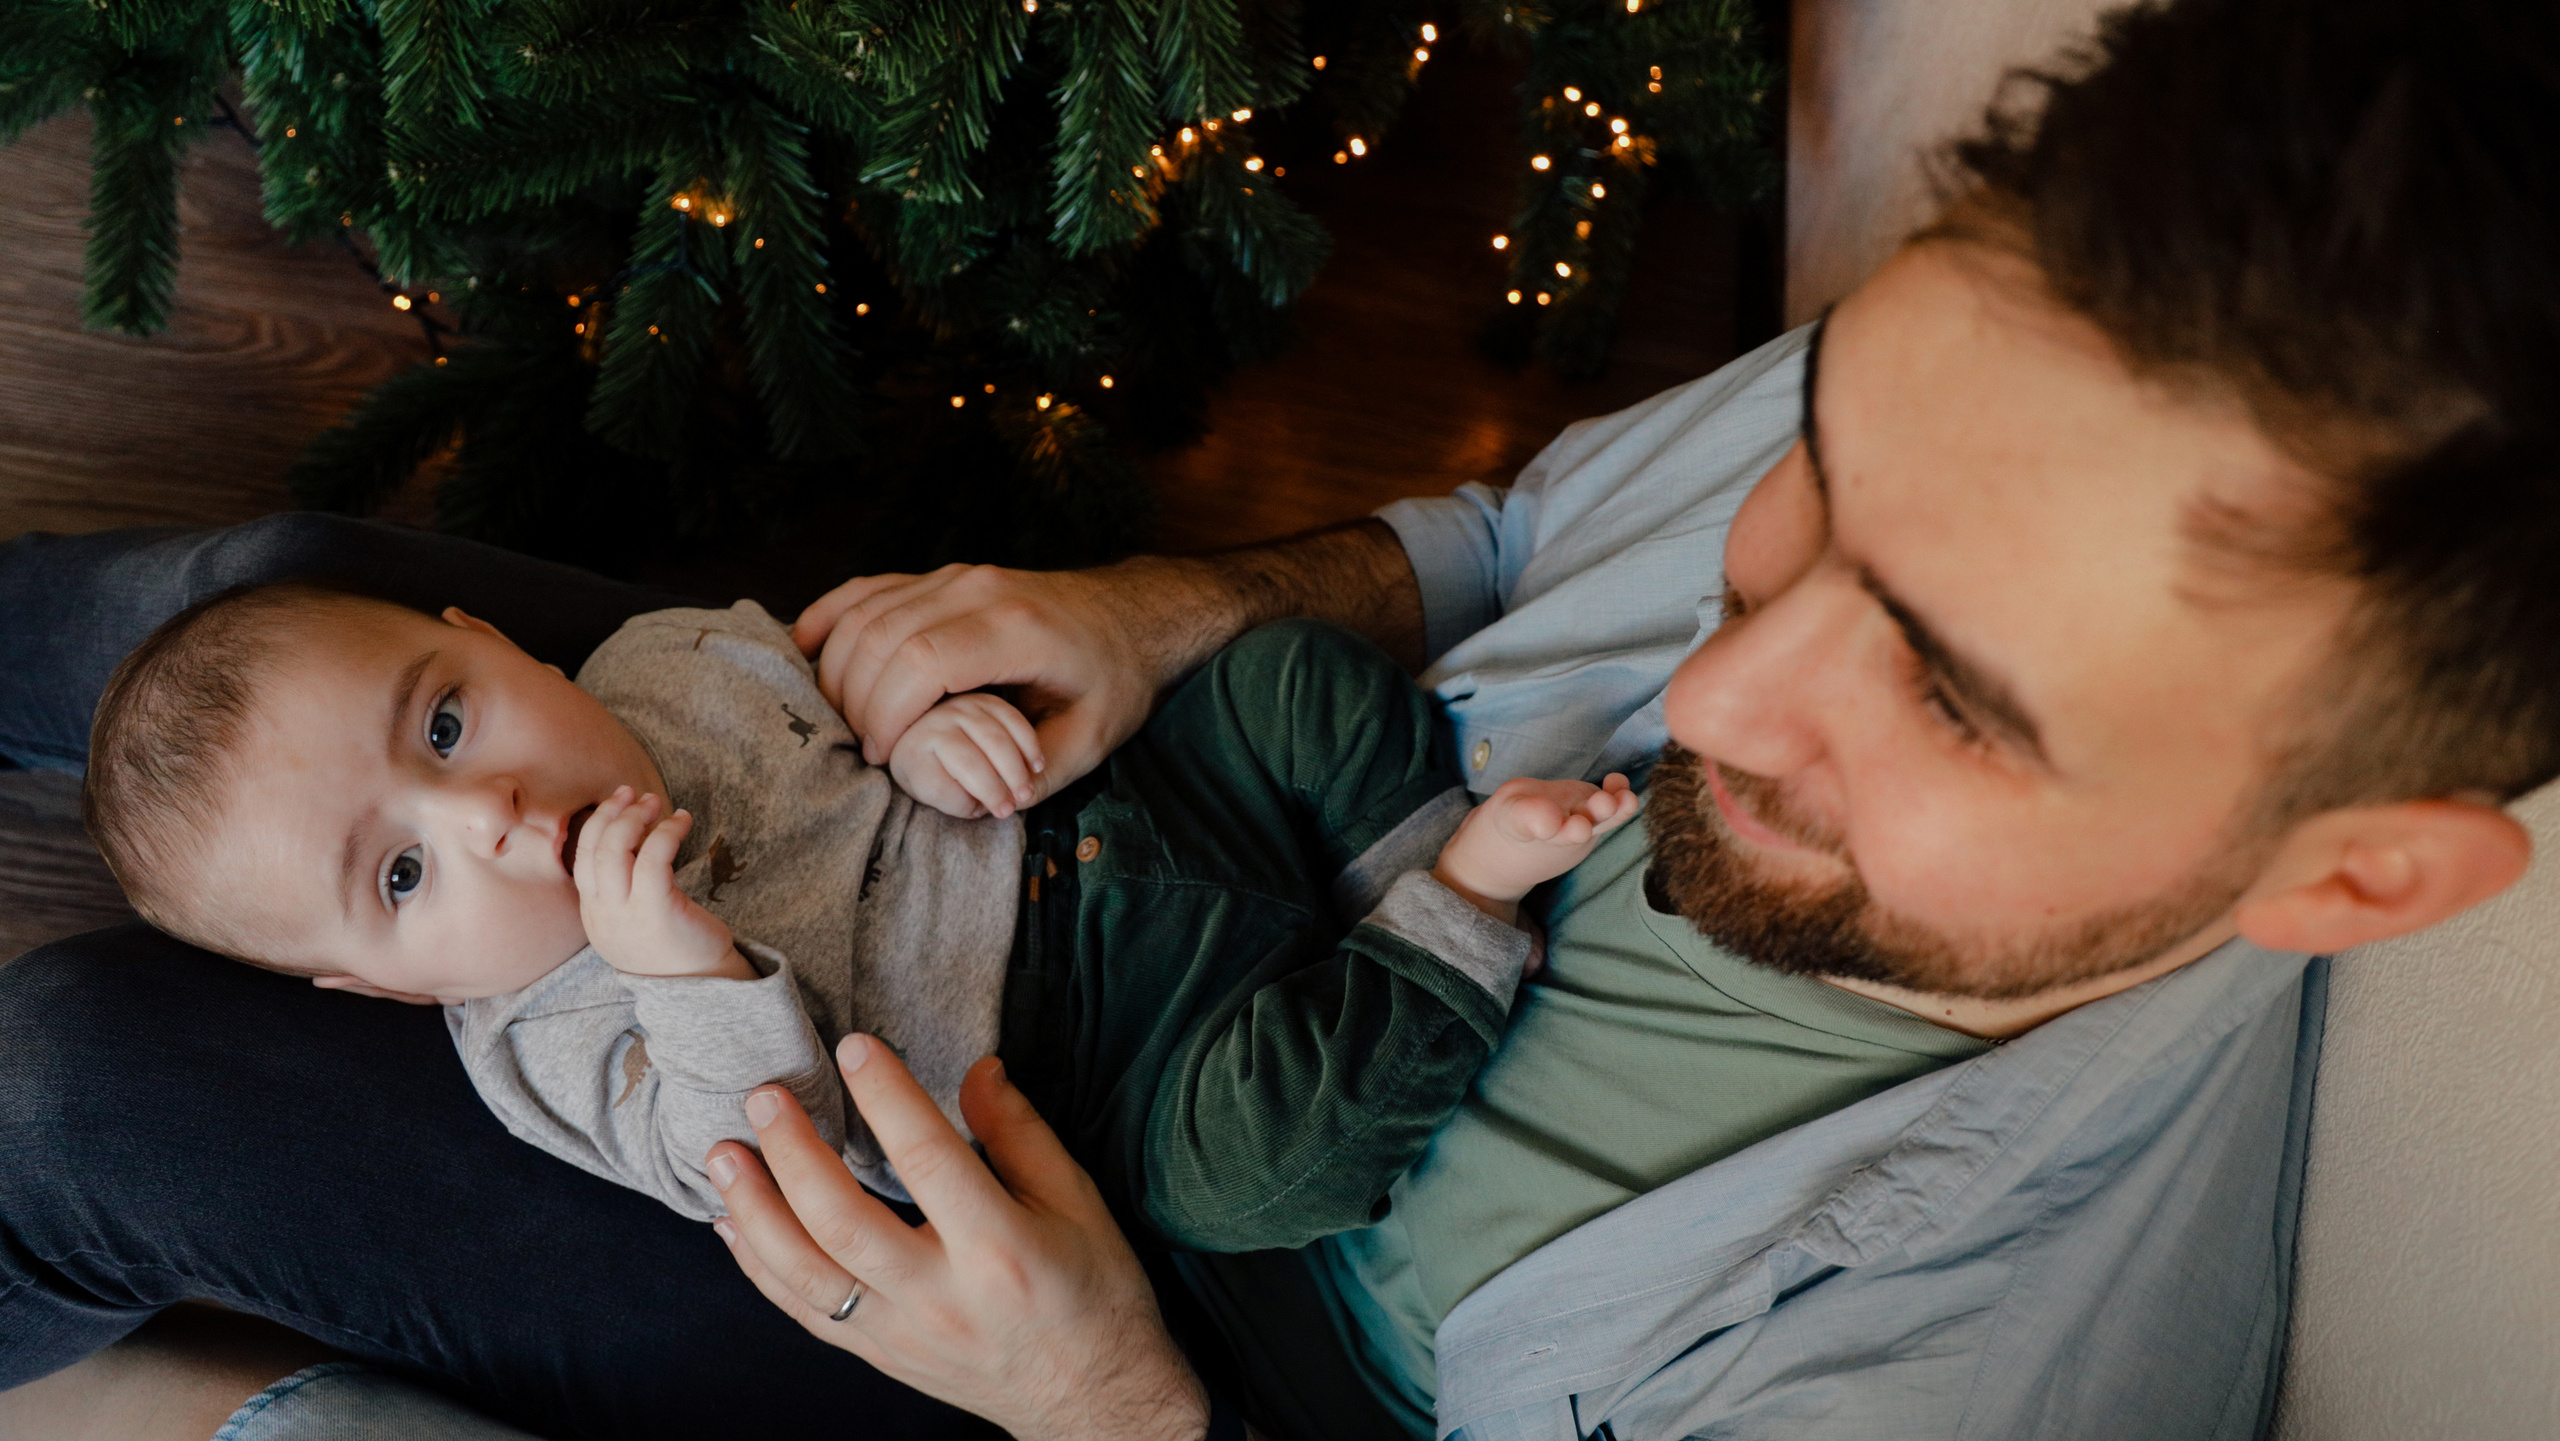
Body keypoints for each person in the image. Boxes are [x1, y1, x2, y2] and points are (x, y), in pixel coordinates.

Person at [3, 0, 2554, 1441]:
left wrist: (1120, 1412)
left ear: (2348, 878)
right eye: (1812, 504)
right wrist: (1165, 605)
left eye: (1943, 692)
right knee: (272, 631)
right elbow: (1521, 532)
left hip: (1054, 1278)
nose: (1697, 691)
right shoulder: (2030, 389)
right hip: (1139, 821)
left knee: (78, 1082)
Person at [78, 585, 1631, 1238]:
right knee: (1253, 1177)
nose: (480, 816)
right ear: (390, 991)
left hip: (1100, 813)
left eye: (443, 724)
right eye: (402, 879)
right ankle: (1453, 916)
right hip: (1087, 1069)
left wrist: (924, 722)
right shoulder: (546, 1044)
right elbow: (759, 1157)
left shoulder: (665, 664)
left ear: (492, 640)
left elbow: (856, 686)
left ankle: (1396, 854)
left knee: (1282, 675)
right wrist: (678, 966)